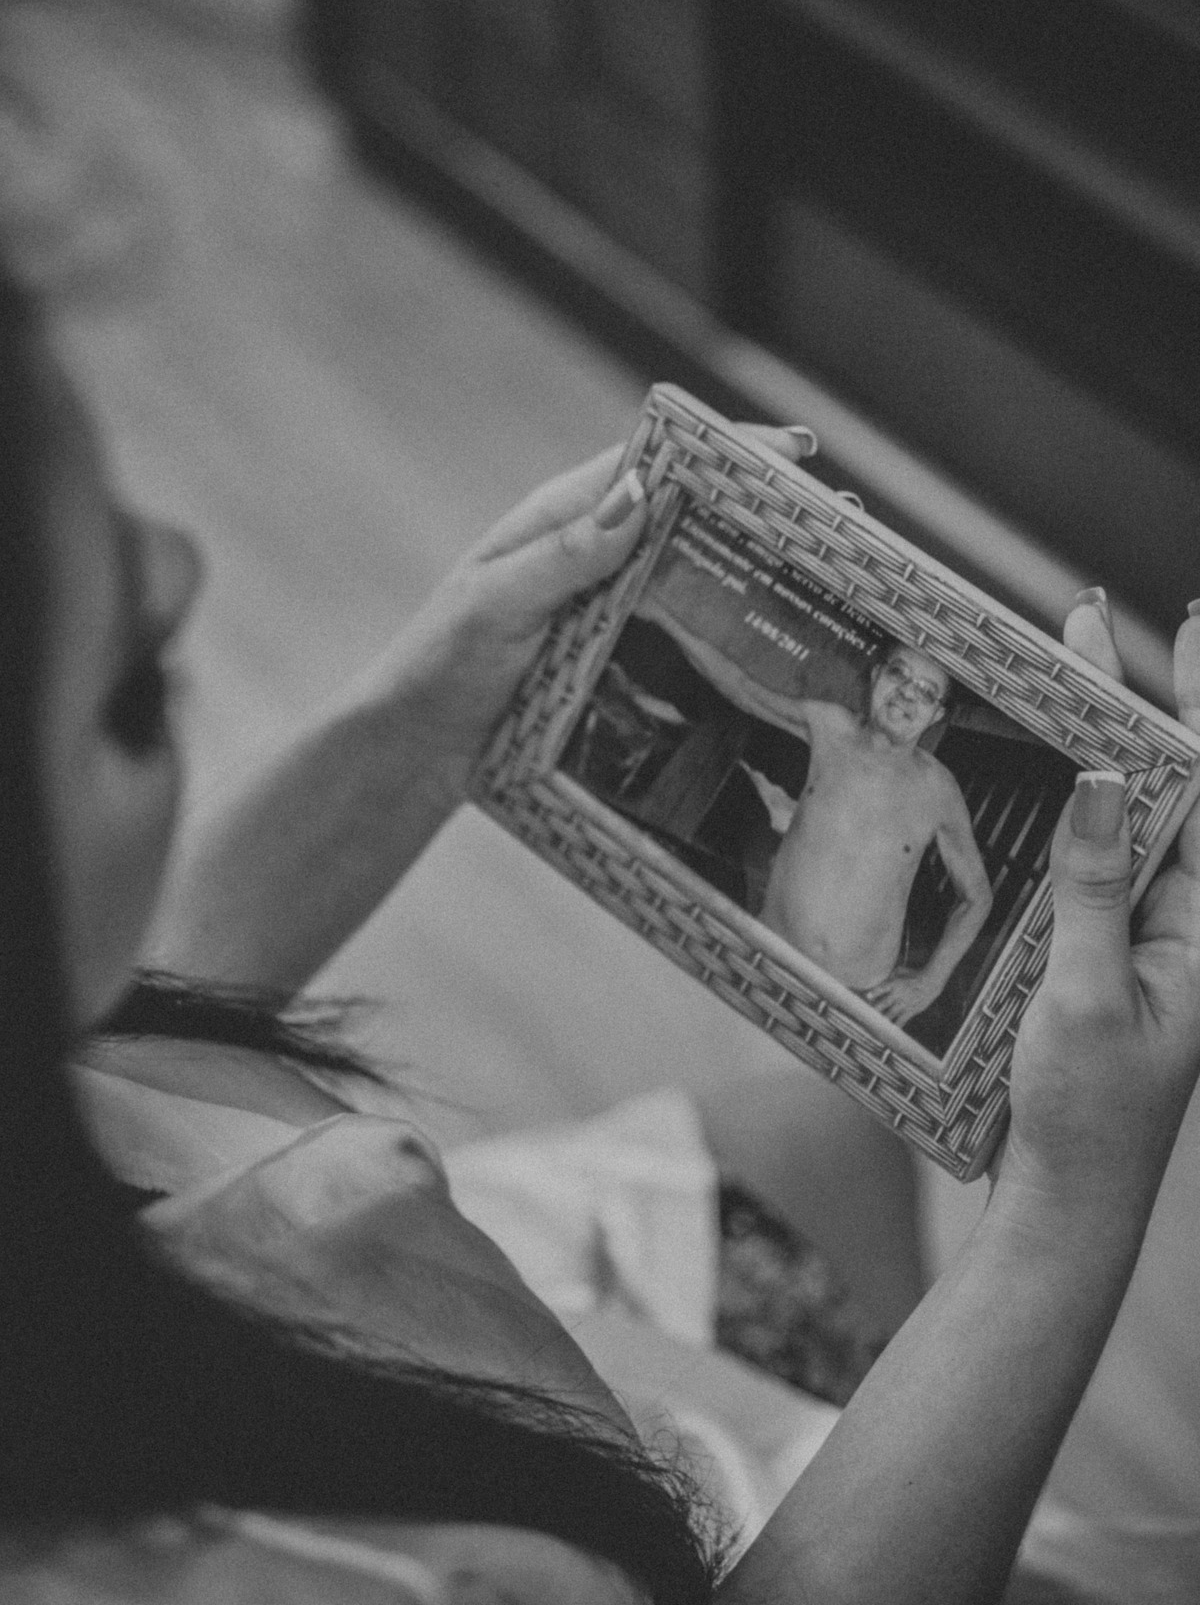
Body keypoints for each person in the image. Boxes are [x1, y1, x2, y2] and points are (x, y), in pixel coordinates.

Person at [6, 266, 1200, 1605]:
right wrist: (1067, 1196)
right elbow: (753, 696)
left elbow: (88, 994)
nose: (180, 564)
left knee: (824, 1128)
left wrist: (433, 705)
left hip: (617, 1369)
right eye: (120, 690)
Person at [652, 628, 992, 1026]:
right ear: (876, 675)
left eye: (927, 691)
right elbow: (741, 687)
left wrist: (929, 984)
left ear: (936, 714)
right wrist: (665, 619)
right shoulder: (829, 726)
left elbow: (977, 896)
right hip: (765, 954)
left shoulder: (939, 790)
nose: (908, 694)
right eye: (898, 674)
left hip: (856, 998)